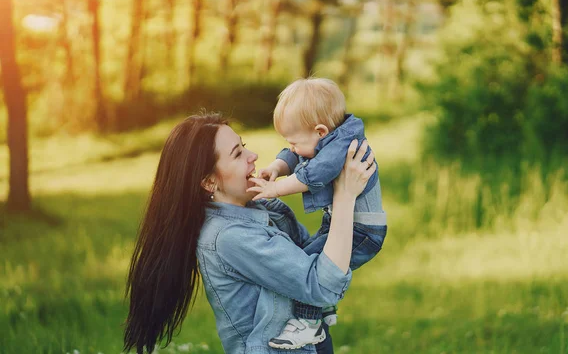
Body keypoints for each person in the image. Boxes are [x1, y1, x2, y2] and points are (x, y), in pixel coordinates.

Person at [123, 112, 377, 354]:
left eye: (244, 146)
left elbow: (312, 259)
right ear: (209, 182)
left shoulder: (260, 208)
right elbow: (323, 285)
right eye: (237, 154)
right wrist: (345, 197)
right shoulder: (229, 238)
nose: (253, 156)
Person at [250, 78, 387, 350]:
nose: (291, 147)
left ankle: (309, 324)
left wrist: (275, 189)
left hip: (363, 231)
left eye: (292, 141)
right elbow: (297, 154)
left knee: (310, 264)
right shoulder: (327, 135)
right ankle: (324, 306)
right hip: (340, 221)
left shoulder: (342, 146)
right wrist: (277, 167)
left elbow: (314, 173)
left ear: (321, 131)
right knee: (309, 255)